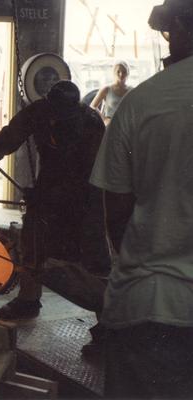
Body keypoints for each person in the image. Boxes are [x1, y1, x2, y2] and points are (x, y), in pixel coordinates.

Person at [89, 0, 193, 397]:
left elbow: (116, 211)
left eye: (170, 32)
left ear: (184, 26)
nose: (167, 43)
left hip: (150, 307)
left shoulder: (142, 103)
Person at [0, 80, 105, 321]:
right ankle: (28, 300)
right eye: (52, 112)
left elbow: (90, 171)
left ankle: (106, 316)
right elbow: (2, 143)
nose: (54, 119)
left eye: (60, 116)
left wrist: (51, 196)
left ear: (73, 110)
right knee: (32, 237)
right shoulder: (38, 112)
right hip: (50, 177)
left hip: (84, 187)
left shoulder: (90, 123)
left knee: (88, 251)